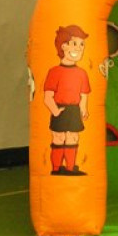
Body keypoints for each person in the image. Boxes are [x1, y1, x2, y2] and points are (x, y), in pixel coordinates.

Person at [43, 25, 91, 175]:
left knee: (73, 137)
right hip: (60, 107)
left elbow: (84, 94)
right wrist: (55, 111)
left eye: (81, 45)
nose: (79, 48)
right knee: (59, 137)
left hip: (73, 109)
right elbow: (48, 96)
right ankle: (56, 168)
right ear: (64, 46)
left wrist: (83, 109)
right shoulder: (54, 72)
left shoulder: (82, 73)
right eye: (74, 43)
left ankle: (70, 168)